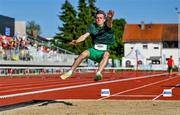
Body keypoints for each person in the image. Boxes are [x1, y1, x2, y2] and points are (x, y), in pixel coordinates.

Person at [60, 9, 115, 81]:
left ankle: (98, 73)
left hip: (104, 51)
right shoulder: (92, 26)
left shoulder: (107, 26)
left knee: (107, 54)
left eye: (100, 18)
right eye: (97, 18)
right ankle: (70, 72)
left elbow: (110, 23)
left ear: (104, 19)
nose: (98, 19)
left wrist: (110, 18)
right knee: (83, 53)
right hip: (94, 50)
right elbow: (84, 36)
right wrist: (76, 41)